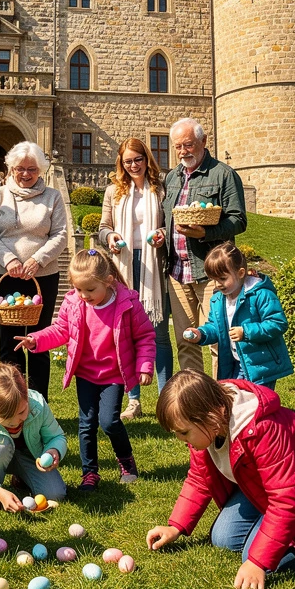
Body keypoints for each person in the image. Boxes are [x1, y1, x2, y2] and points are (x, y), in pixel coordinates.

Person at [146, 370, 295, 589]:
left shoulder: (262, 429)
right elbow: (199, 478)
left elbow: (287, 500)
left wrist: (258, 561)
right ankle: (271, 534)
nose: (180, 439)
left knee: (266, 562)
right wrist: (176, 526)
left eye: (183, 431)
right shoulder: (206, 426)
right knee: (224, 539)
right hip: (262, 485)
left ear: (213, 416)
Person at [17, 248, 155, 489]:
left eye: (90, 290)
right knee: (86, 424)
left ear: (109, 281)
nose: (84, 295)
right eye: (79, 289)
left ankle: (126, 462)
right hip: (86, 375)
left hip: (113, 376)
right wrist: (36, 340)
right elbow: (61, 330)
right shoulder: (73, 303)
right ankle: (89, 473)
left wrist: (144, 366)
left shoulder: (127, 303)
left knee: (109, 422)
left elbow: (144, 336)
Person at [0, 141, 68, 397]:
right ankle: (10, 401)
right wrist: (8, 258)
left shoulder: (52, 196)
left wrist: (38, 259)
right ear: (10, 169)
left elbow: (61, 234)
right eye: (20, 168)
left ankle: (39, 403)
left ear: (40, 170)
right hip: (4, 276)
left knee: (40, 341)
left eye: (32, 169)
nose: (26, 174)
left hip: (43, 277)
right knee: (9, 342)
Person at [163, 118, 247, 379]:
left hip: (213, 273)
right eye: (178, 146)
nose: (183, 151)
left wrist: (206, 233)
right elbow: (167, 218)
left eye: (188, 144)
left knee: (216, 340)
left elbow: (238, 220)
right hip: (177, 273)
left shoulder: (223, 174)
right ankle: (195, 400)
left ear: (203, 141)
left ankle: (222, 396)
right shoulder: (171, 177)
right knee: (186, 340)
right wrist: (160, 234)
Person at [98, 137, 173, 421]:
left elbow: (170, 223)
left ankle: (166, 398)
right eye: (127, 161)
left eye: (137, 159)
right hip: (124, 266)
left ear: (146, 159)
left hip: (156, 265)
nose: (133, 165)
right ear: (121, 163)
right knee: (126, 335)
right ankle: (134, 400)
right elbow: (104, 227)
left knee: (159, 333)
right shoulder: (113, 192)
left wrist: (163, 233)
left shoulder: (161, 189)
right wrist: (111, 237)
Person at [182, 242, 292, 389]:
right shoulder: (217, 300)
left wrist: (245, 332)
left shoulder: (260, 294)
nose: (218, 284)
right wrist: (201, 334)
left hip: (260, 364)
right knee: (234, 399)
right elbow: (215, 327)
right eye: (214, 279)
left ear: (240, 273)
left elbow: (277, 323)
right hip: (234, 362)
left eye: (222, 278)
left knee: (257, 403)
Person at [0, 361, 68, 511]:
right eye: (6, 418)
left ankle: (21, 478)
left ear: (27, 398)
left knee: (55, 494)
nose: (16, 421)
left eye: (21, 412)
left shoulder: (37, 404)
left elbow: (57, 437)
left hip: (28, 456)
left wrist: (54, 450)